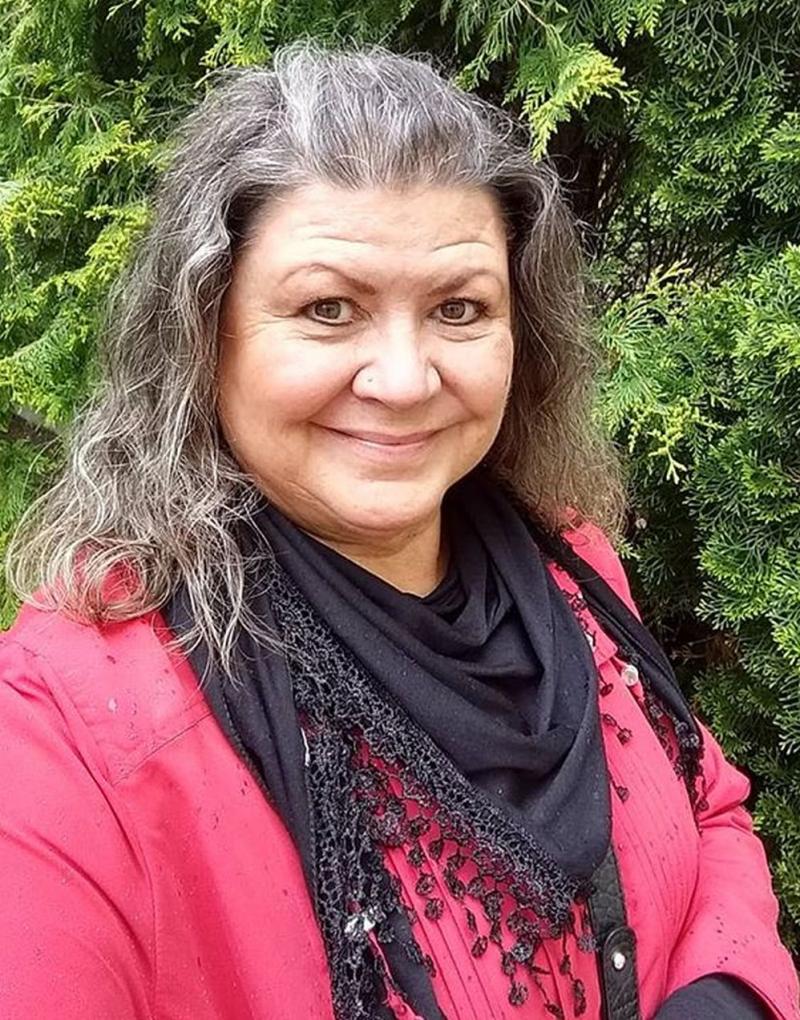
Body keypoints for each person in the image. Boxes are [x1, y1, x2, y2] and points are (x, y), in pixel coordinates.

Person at [0, 42, 796, 1020]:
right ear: (205, 332)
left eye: (458, 308)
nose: (406, 379)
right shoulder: (69, 730)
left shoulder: (567, 565)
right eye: (328, 308)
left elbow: (706, 802)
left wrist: (727, 992)